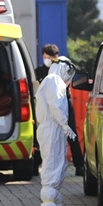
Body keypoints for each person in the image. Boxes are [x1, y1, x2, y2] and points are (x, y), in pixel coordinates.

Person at [33, 56, 78, 206]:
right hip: (52, 127)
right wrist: (65, 123)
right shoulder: (54, 80)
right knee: (52, 163)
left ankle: (54, 202)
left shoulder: (53, 80)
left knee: (59, 162)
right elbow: (56, 104)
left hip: (54, 128)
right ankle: (48, 204)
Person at [33, 44, 84, 177]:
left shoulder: (63, 68)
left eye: (48, 57)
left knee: (71, 134)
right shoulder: (40, 71)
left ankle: (79, 165)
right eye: (44, 57)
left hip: (64, 103)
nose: (46, 60)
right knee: (46, 134)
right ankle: (36, 164)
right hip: (47, 107)